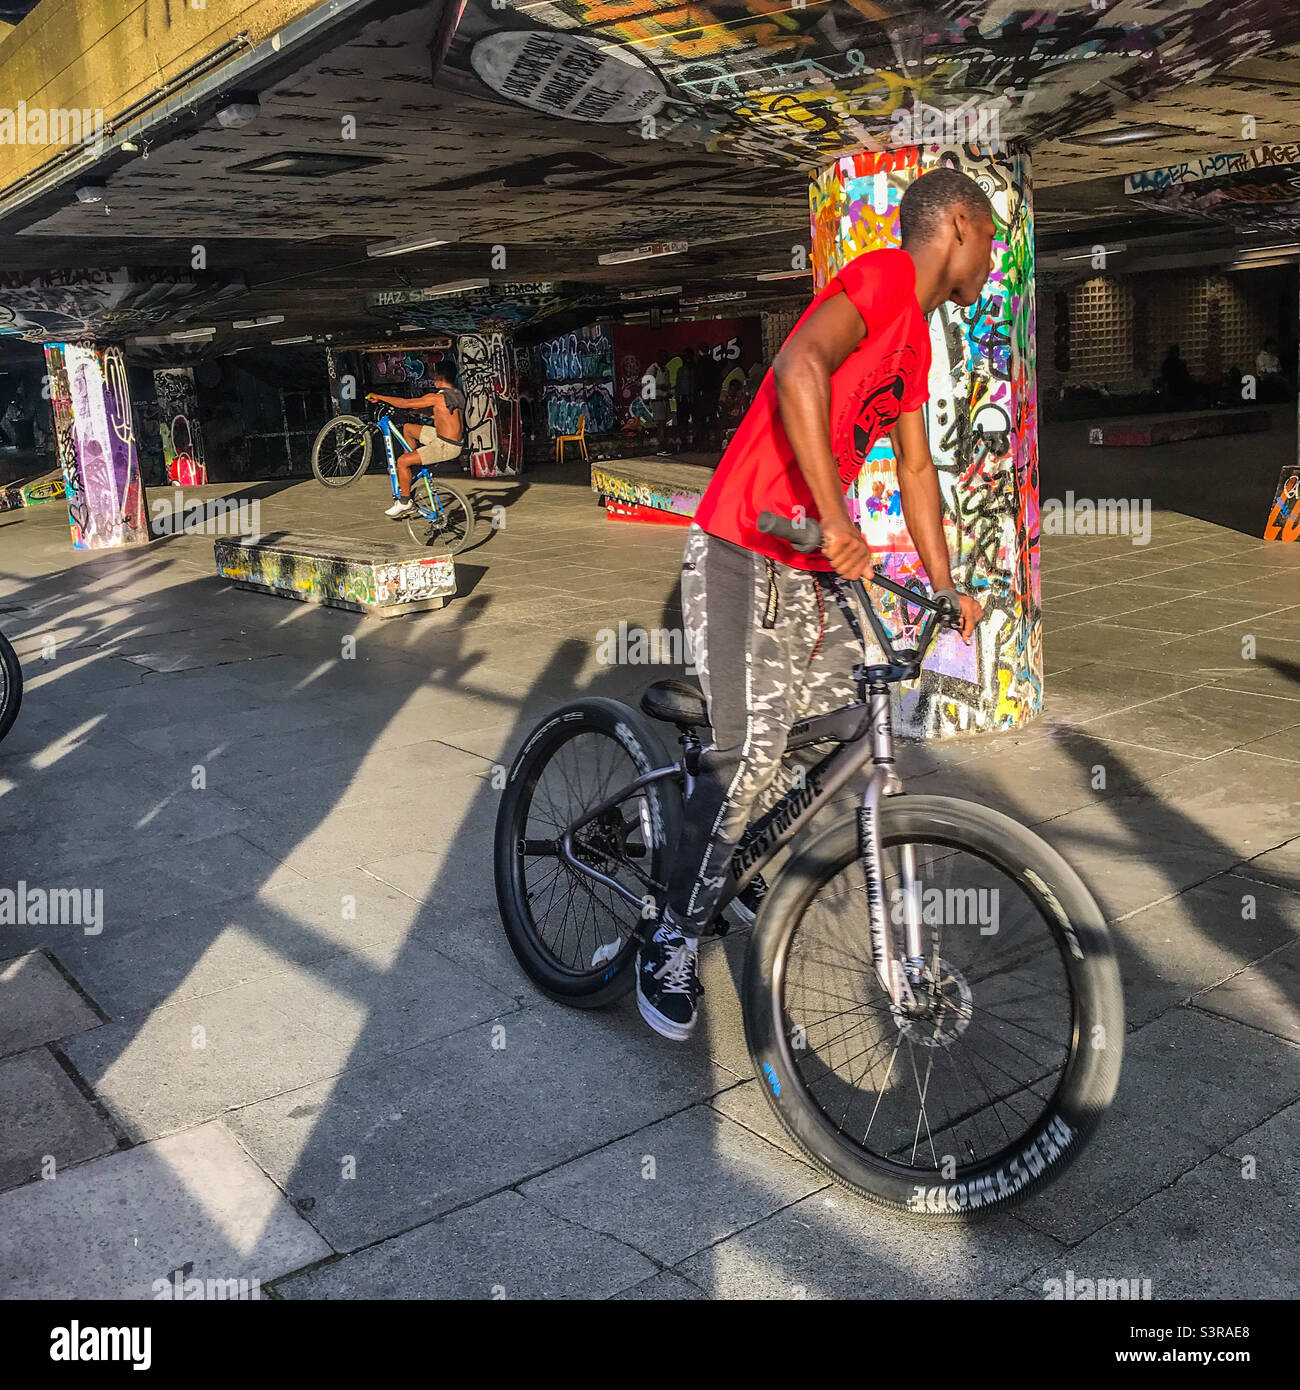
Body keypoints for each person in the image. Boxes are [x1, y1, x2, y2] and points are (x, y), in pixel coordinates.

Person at [636, 166, 990, 1041]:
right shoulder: (879, 279)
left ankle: (725, 833)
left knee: (841, 719)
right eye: (989, 236)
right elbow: (797, 365)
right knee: (749, 751)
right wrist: (835, 519)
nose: (993, 255)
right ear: (955, 225)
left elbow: (914, 470)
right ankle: (669, 937)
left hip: (810, 567)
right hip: (743, 543)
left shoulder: (921, 343)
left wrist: (946, 588)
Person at [366, 362, 465, 518]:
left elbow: (406, 403)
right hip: (448, 439)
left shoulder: (437, 397)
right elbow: (443, 416)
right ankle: (409, 472)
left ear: (440, 376)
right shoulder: (457, 394)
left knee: (402, 461)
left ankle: (405, 502)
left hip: (445, 445)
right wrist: (423, 412)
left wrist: (379, 397)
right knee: (408, 429)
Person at [693, 343, 721, 449]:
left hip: (702, 396)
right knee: (713, 419)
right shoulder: (714, 363)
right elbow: (718, 380)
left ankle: (703, 445)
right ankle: (715, 443)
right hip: (712, 395)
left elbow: (697, 382)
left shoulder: (699, 364)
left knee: (701, 421)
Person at [649, 350, 671, 450]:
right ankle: (661, 446)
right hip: (657, 400)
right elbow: (646, 385)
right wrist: (659, 386)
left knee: (664, 424)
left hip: (665, 400)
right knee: (660, 424)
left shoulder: (666, 370)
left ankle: (663, 445)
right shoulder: (652, 369)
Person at [675, 348, 695, 449]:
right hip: (683, 399)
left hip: (694, 398)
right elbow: (678, 385)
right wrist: (678, 398)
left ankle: (694, 442)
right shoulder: (681, 370)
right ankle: (684, 442)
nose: (687, 359)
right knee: (683, 421)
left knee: (695, 421)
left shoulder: (695, 369)